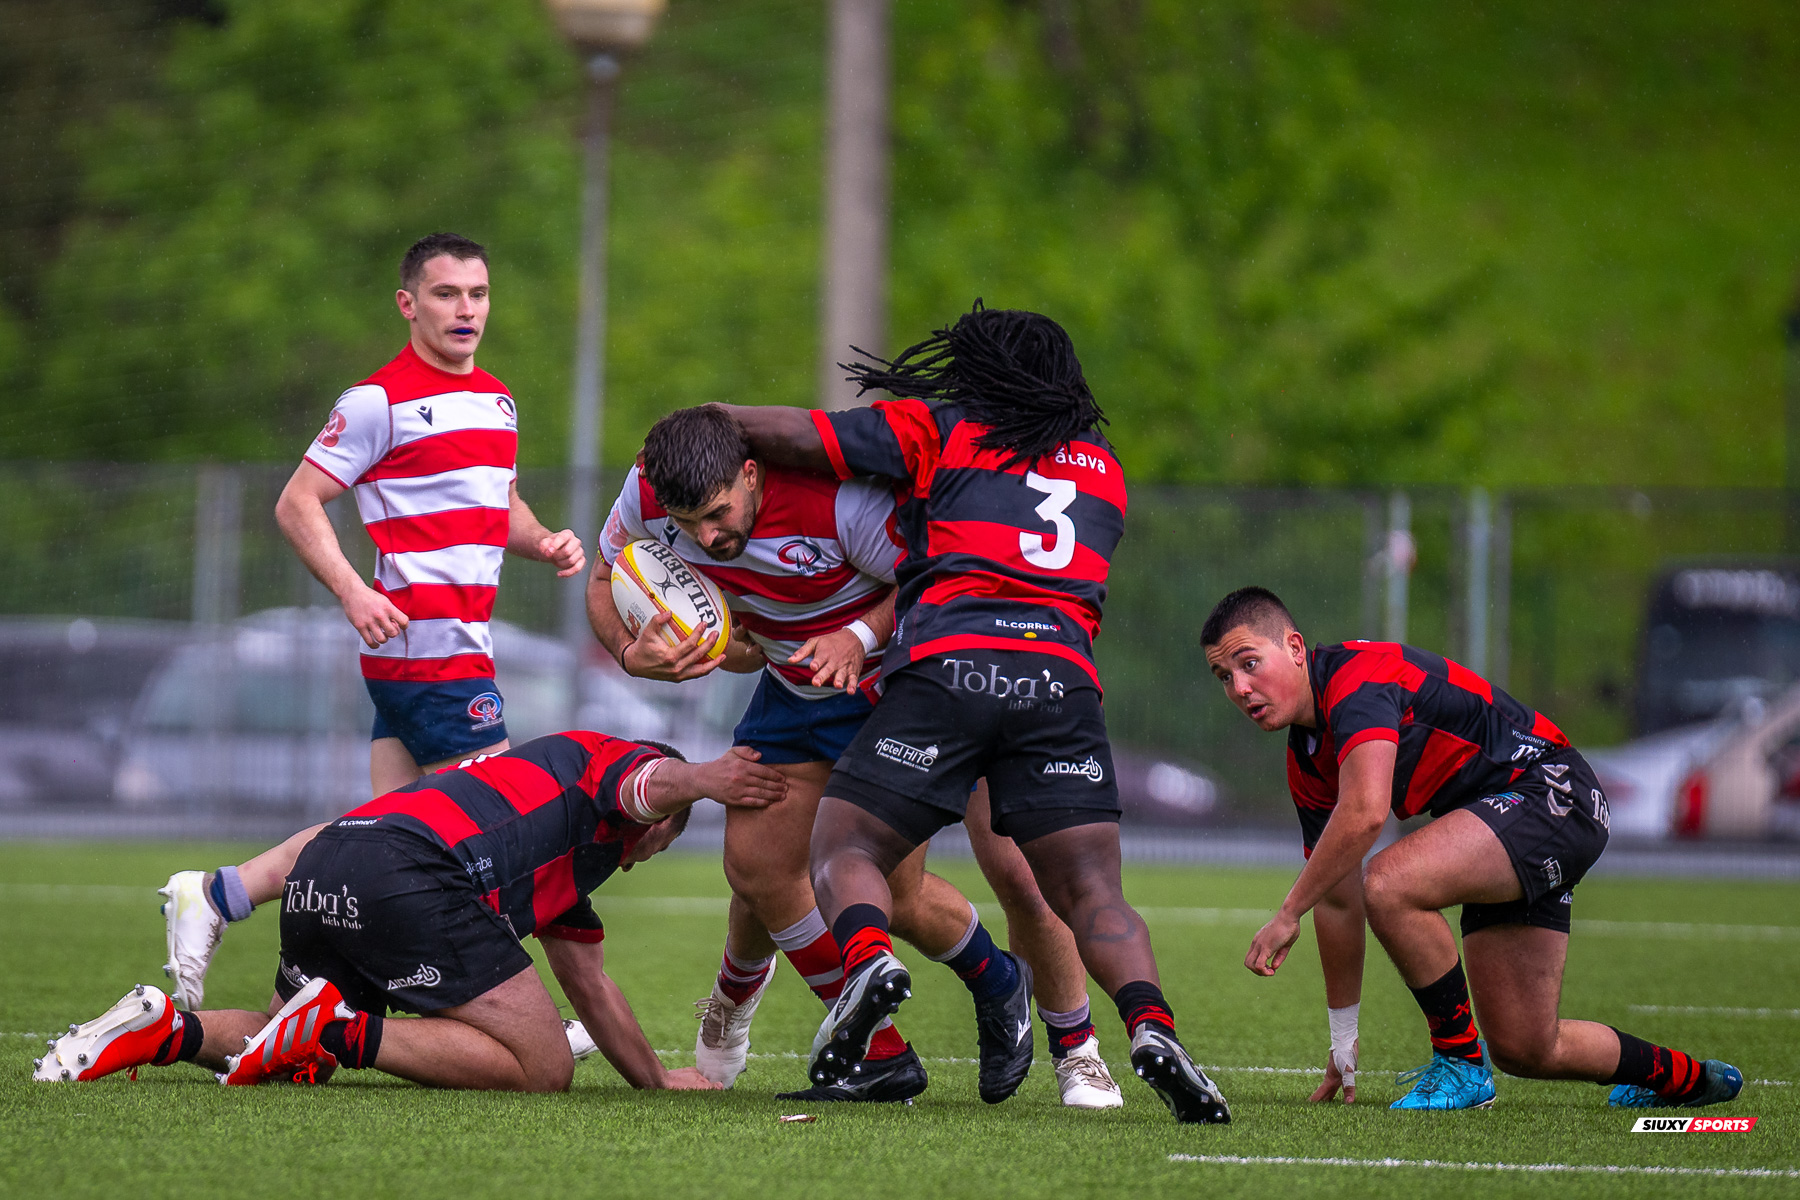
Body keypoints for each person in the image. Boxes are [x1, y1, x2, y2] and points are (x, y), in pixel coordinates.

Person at [718, 301, 1231, 1124]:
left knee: (846, 845)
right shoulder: (1105, 468)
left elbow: (804, 435)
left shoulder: (946, 429)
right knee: (1091, 889)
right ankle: (1151, 1026)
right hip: (1060, 682)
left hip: (951, 668)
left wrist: (709, 417)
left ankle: (868, 965)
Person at [586, 404, 1120, 1108]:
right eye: (688, 524)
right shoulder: (647, 491)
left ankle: (1003, 984)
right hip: (789, 689)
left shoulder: (838, 501)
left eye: (718, 514)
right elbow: (604, 575)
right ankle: (881, 1057)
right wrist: (632, 655)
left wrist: (858, 636)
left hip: (887, 693)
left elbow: (939, 582)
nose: (707, 538)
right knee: (756, 864)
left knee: (893, 896)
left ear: (752, 473)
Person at [156, 232, 585, 1013]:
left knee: (383, 839)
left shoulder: (497, 399)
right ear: (408, 303)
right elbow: (297, 502)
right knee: (503, 830)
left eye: (478, 294)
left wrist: (544, 539)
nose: (466, 309)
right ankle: (534, 1015)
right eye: (447, 293)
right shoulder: (377, 401)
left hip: (446, 653)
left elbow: (499, 504)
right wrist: (355, 593)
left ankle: (237, 917)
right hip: (429, 655)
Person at [1200, 586, 1745, 1111]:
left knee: (1390, 882)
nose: (1240, 688)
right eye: (1224, 676)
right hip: (1509, 822)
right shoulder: (1306, 757)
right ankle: (1684, 1080)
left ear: (1295, 648)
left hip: (1552, 793)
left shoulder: (1355, 681)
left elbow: (1366, 813)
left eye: (1250, 663)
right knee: (1526, 1047)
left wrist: (1287, 912)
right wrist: (1343, 1039)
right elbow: (1339, 899)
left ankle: (1460, 1063)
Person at [37, 732, 785, 1091]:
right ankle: (336, 1028)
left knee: (274, 1036)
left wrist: (654, 1079)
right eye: (651, 849)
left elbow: (590, 982)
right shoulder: (609, 769)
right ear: (657, 826)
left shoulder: (558, 852)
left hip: (327, 857)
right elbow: (644, 786)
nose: (633, 862)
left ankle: (165, 1030)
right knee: (543, 1068)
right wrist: (705, 779)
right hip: (409, 874)